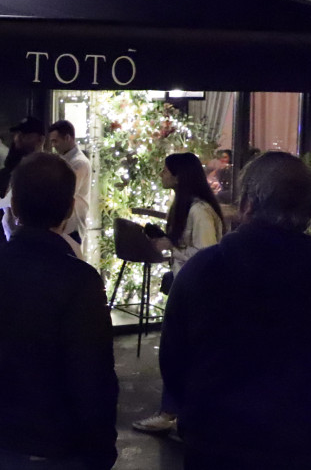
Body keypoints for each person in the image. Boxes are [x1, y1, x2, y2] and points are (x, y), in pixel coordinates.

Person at [160, 152, 311, 470]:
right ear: (310, 212)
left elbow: (173, 362)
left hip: (218, 446)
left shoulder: (202, 274)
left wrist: (196, 417)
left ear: (248, 204)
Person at [0, 153, 118, 470]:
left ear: (13, 207)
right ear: (70, 208)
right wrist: (101, 447)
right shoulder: (80, 280)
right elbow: (92, 375)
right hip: (56, 444)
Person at [133, 152, 224, 434]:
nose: (161, 174)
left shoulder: (198, 211)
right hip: (188, 288)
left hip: (196, 291)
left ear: (178, 176)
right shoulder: (190, 207)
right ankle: (177, 411)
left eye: (165, 170)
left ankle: (172, 412)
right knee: (179, 352)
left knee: (177, 352)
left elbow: (206, 255)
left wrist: (170, 247)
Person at [46, 120, 91, 247]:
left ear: (67, 138)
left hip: (71, 226)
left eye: (56, 141)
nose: (54, 145)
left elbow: (66, 192)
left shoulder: (79, 163)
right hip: (64, 225)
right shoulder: (64, 160)